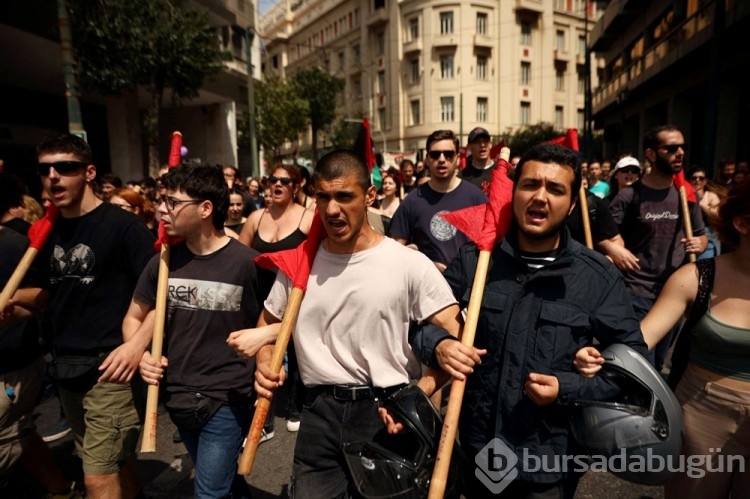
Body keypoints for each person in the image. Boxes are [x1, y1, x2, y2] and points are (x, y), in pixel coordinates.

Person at [409, 143, 646, 498]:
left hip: (549, 461)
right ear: (513, 192)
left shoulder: (597, 277)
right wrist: (440, 346)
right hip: (479, 449)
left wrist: (566, 387)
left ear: (571, 203)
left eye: (555, 189)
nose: (540, 197)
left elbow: (631, 369)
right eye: (530, 184)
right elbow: (421, 324)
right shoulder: (476, 261)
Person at [233, 149, 469, 498]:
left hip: (387, 413)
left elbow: (456, 334)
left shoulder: (407, 264)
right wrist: (267, 364)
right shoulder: (300, 265)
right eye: (323, 197)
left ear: (369, 196)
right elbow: (267, 328)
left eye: (344, 196)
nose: (331, 210)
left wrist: (420, 395)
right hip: (318, 414)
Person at [575, 179, 750, 498]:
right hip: (703, 417)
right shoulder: (695, 279)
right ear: (742, 224)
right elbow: (638, 342)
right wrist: (596, 358)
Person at [37, 133, 155, 499]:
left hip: (111, 367)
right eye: (45, 169)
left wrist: (136, 346)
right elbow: (44, 293)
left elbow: (161, 294)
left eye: (65, 168)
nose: (53, 176)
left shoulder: (123, 227)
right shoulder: (46, 229)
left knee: (96, 477)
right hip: (66, 366)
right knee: (112, 463)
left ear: (89, 172)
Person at [133, 164, 262, 499]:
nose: (162, 209)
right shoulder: (162, 262)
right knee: (224, 480)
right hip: (177, 394)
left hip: (228, 396)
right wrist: (142, 355)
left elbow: (276, 322)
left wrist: (263, 345)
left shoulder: (249, 264)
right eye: (162, 201)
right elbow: (134, 317)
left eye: (173, 203)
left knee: (208, 492)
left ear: (205, 208)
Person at [0, 174, 80, 499]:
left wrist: (14, 304)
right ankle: (59, 489)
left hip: (12, 363)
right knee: (18, 430)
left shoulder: (15, 245)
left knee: (6, 435)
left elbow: (47, 297)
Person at [609, 124, 707, 370]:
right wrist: (614, 249)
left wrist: (701, 244)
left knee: (659, 362)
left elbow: (702, 236)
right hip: (636, 292)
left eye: (683, 147)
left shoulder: (686, 194)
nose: (680, 153)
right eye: (672, 148)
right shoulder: (629, 196)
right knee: (640, 361)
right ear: (651, 154)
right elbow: (604, 235)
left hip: (675, 293)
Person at [238, 163, 314, 436]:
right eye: (273, 180)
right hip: (260, 296)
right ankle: (263, 418)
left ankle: (296, 406)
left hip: (294, 297)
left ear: (296, 186)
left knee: (295, 353)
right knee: (261, 354)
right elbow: (239, 256)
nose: (277, 184)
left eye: (285, 180)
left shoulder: (307, 218)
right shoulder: (256, 218)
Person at [390, 129, 487, 272]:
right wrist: (420, 262)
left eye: (448, 154)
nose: (442, 159)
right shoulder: (411, 201)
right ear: (427, 159)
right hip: (426, 290)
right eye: (435, 155)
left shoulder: (476, 198)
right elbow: (394, 252)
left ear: (458, 158)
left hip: (469, 290)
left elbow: (492, 245)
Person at [689, 166, 723, 259]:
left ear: (705, 181)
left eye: (701, 178)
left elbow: (717, 216)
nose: (697, 180)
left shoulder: (711, 196)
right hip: (690, 235)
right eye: (694, 178)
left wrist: (702, 205)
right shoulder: (685, 195)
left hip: (709, 235)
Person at [459, 126, 496, 194]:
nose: (482, 145)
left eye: (485, 141)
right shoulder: (462, 177)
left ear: (490, 144)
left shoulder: (502, 171)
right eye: (477, 142)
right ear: (469, 147)